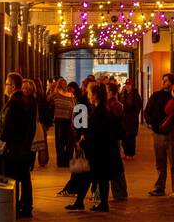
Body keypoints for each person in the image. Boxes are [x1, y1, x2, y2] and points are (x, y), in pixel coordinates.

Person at [70, 83, 122, 213]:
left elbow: (96, 133)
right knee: (93, 177)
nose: (88, 96)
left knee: (93, 177)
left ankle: (97, 204)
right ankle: (83, 202)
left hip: (99, 151)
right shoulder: (101, 109)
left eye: (89, 93)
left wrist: (83, 142)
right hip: (102, 151)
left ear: (94, 95)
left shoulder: (100, 112)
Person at [0, 72, 38, 218]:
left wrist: (2, 141)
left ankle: (14, 208)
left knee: (12, 178)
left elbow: (8, 126)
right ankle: (27, 207)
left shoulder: (14, 103)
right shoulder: (27, 101)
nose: (5, 87)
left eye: (7, 84)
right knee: (25, 178)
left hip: (14, 148)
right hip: (24, 146)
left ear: (13, 86)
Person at [144, 73, 174, 196]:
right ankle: (159, 186)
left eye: (166, 80)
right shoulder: (156, 95)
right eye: (163, 80)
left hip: (172, 134)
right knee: (160, 163)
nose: (163, 82)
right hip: (158, 134)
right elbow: (147, 111)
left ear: (172, 83)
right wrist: (151, 124)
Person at [105, 81, 128, 201]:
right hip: (114, 139)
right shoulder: (114, 104)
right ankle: (120, 192)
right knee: (116, 166)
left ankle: (120, 193)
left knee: (116, 167)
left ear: (110, 92)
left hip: (112, 139)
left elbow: (116, 124)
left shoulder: (114, 105)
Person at [52, 78, 75, 167]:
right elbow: (49, 99)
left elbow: (73, 107)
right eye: (61, 83)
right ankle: (60, 161)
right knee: (59, 141)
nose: (64, 85)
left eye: (65, 83)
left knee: (68, 141)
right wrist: (55, 88)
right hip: (59, 119)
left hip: (68, 119)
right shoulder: (56, 94)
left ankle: (67, 160)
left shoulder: (70, 95)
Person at [119, 79, 143, 159]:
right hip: (124, 118)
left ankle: (131, 153)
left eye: (129, 85)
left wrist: (134, 115)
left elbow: (138, 106)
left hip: (132, 119)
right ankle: (126, 152)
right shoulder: (123, 93)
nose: (127, 86)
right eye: (126, 84)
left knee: (131, 137)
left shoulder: (135, 95)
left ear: (132, 86)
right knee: (124, 136)